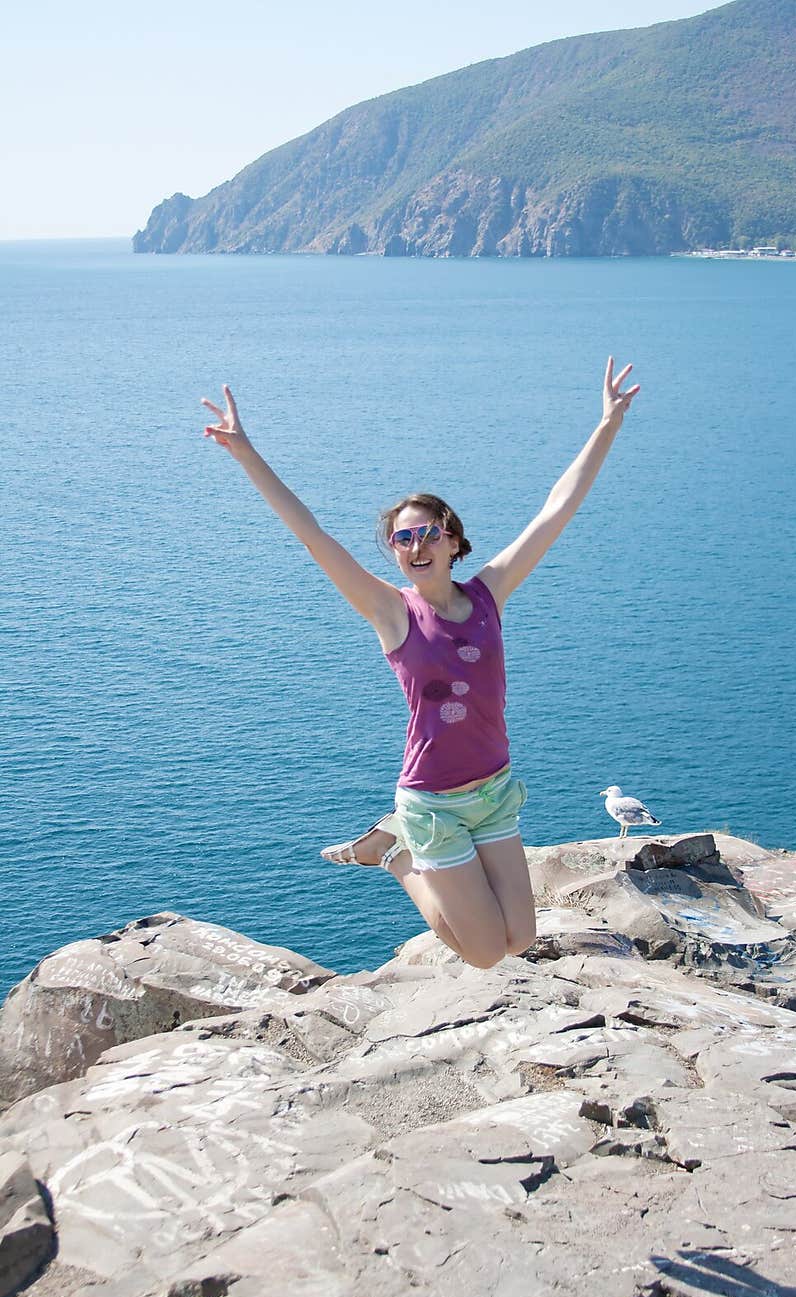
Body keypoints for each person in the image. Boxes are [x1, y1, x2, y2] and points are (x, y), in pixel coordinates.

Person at [202, 358, 639, 969]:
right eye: (402, 539)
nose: (416, 546)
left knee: (522, 940)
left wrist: (607, 427)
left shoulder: (490, 593)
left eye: (429, 533)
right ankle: (392, 853)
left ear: (454, 540)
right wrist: (246, 453)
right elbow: (315, 537)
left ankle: (398, 847)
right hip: (432, 802)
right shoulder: (390, 613)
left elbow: (554, 512)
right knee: (486, 954)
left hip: (493, 790)